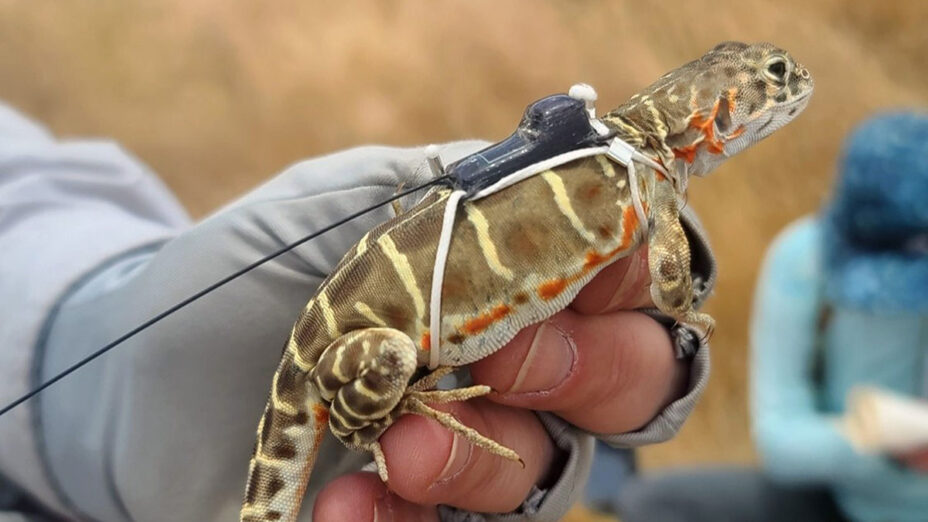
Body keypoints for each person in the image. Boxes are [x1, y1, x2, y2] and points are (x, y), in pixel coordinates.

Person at [0, 101, 714, 521]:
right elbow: (675, 278)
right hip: (346, 364)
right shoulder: (640, 177)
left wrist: (70, 352)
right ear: (714, 115)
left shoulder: (639, 173)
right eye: (772, 81)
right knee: (400, 374)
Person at [614, 113, 928, 522]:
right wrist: (875, 445)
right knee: (653, 504)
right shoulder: (804, 260)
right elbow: (780, 441)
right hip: (838, 500)